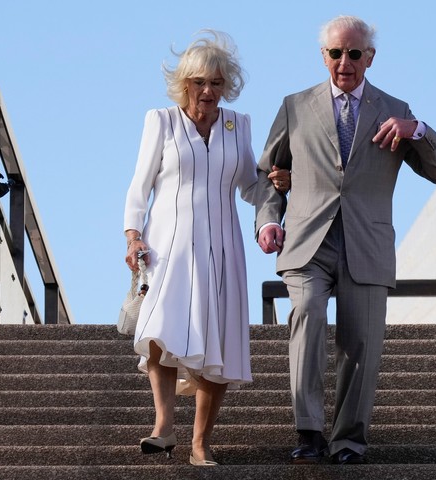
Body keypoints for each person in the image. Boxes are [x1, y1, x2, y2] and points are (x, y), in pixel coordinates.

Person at [256, 15, 436, 464]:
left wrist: (417, 131)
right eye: (335, 53)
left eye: (354, 53)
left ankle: (348, 439)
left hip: (366, 243)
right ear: (322, 55)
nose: (344, 62)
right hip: (309, 241)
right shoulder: (295, 105)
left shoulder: (395, 108)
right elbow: (265, 174)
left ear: (370, 57)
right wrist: (268, 219)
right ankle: (309, 432)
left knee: (361, 343)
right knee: (306, 314)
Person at [123, 30, 289, 466]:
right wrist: (133, 236)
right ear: (184, 85)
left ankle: (200, 444)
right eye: (199, 82)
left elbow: (249, 188)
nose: (208, 91)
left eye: (216, 82)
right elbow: (139, 187)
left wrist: (274, 183)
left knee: (220, 343)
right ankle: (163, 426)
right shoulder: (160, 121)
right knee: (160, 330)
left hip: (223, 248)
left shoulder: (239, 125)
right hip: (168, 246)